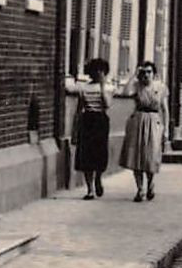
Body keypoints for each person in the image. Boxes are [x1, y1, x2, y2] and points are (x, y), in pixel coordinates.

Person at [119, 60, 169, 202]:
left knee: (150, 156)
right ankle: (140, 189)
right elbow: (125, 92)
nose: (146, 75)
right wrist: (133, 76)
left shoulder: (160, 87)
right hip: (138, 121)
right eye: (144, 72)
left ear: (154, 74)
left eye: (149, 72)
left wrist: (166, 130)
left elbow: (165, 109)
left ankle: (150, 183)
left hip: (154, 121)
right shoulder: (136, 86)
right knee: (136, 157)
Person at [64, 58, 113, 199]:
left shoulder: (109, 87)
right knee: (86, 156)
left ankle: (98, 177)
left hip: (101, 121)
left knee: (100, 154)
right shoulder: (85, 87)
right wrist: (74, 131)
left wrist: (103, 87)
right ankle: (90, 189)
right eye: (96, 70)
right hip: (87, 121)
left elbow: (107, 104)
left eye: (101, 71)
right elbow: (79, 110)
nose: (98, 73)